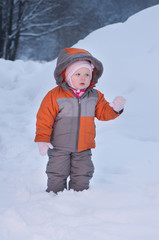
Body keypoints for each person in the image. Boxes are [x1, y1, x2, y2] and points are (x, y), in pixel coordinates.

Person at [34, 47, 126, 193]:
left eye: (87, 74)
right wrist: (42, 139)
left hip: (83, 146)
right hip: (59, 146)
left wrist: (115, 109)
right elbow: (44, 119)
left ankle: (79, 198)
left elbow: (103, 113)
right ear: (67, 75)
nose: (83, 78)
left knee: (83, 173)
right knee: (57, 172)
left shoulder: (95, 96)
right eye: (78, 74)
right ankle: (53, 197)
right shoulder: (54, 96)